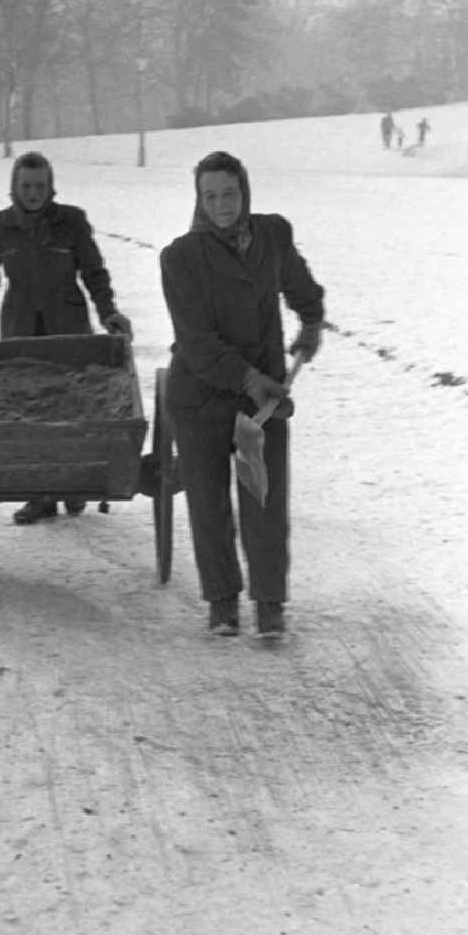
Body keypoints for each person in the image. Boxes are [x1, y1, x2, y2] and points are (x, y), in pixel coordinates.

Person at [159, 150, 325, 639]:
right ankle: (223, 603)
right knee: (209, 504)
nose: (222, 205)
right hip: (203, 399)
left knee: (263, 500)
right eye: (210, 196)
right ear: (198, 199)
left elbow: (298, 284)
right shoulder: (181, 257)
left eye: (229, 194)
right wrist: (252, 379)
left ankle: (269, 603)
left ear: (244, 191)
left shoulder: (272, 235)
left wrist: (311, 321)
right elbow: (198, 341)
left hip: (261, 405)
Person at [0, 150, 133, 525]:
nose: (33, 193)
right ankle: (39, 493)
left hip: (69, 324)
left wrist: (108, 311)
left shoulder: (71, 222)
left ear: (51, 187)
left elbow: (94, 272)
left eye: (40, 186)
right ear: (14, 188)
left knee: (73, 402)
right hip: (20, 327)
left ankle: (75, 482)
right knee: (26, 407)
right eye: (26, 186)